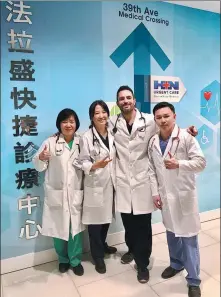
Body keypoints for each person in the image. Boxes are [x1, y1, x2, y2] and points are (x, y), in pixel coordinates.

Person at [108, 85, 198, 284]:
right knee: (128, 223)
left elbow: (169, 127)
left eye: (128, 97)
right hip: (123, 180)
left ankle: (142, 264)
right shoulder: (112, 122)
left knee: (142, 225)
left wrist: (188, 130)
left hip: (142, 179)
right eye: (121, 98)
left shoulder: (149, 119)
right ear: (117, 103)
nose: (125, 101)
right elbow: (98, 131)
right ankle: (131, 249)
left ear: (134, 100)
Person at [148, 102, 206, 297]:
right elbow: (152, 170)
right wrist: (155, 193)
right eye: (159, 117)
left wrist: (179, 164)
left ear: (174, 116)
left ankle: (193, 280)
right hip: (166, 197)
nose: (163, 120)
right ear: (155, 120)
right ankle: (176, 264)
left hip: (184, 196)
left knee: (189, 238)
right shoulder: (153, 142)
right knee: (171, 233)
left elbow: (200, 163)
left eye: (166, 116)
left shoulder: (186, 137)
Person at [33, 108, 85, 276]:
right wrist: (41, 158)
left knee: (74, 230)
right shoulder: (50, 142)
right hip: (57, 194)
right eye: (65, 121)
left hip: (75, 193)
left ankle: (75, 260)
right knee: (58, 230)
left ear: (76, 123)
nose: (68, 125)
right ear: (59, 124)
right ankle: (62, 259)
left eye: (72, 121)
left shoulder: (82, 141)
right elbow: (38, 164)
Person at [74, 100, 117, 274]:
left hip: (111, 184)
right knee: (95, 224)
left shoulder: (113, 132)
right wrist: (94, 166)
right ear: (92, 117)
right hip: (95, 184)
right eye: (97, 113)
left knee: (106, 219)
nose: (101, 116)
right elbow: (80, 161)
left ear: (108, 114)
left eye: (104, 112)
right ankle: (97, 256)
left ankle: (103, 245)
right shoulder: (86, 137)